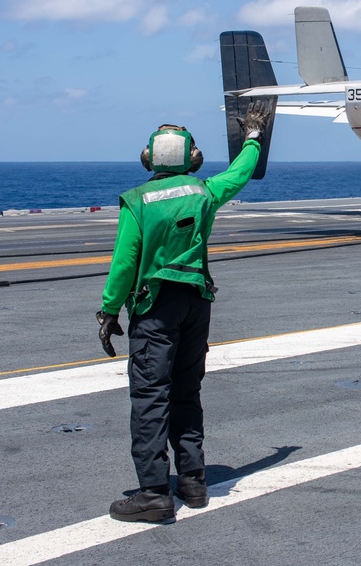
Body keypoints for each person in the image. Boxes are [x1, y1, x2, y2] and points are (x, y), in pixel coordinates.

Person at [95, 100, 270, 523]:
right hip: (196, 304)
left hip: (155, 308)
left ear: (148, 158)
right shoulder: (204, 193)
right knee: (187, 392)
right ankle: (193, 481)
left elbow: (125, 262)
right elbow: (240, 173)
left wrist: (107, 311)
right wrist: (253, 136)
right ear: (193, 157)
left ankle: (154, 493)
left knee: (150, 397)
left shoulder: (137, 202)